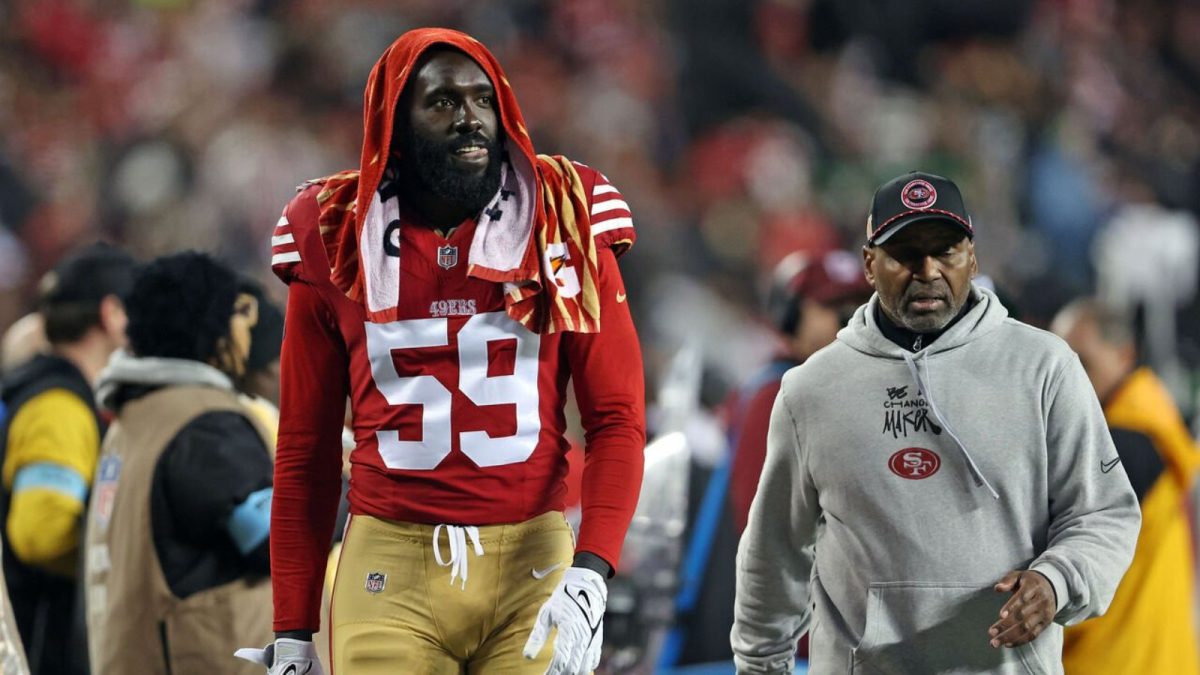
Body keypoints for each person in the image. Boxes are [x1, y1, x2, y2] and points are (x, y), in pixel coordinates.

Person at [238, 27, 645, 675]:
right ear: (392, 125)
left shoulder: (563, 214)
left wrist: (592, 569)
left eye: (483, 100)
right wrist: (292, 629)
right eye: (442, 102)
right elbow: (305, 448)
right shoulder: (332, 230)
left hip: (532, 562)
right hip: (390, 564)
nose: (470, 120)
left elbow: (617, 418)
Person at [731, 171, 1141, 674]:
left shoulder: (1043, 367)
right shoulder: (811, 390)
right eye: (904, 253)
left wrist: (1057, 582)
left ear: (972, 255)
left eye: (945, 250)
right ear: (869, 263)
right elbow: (775, 552)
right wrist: (759, 667)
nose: (927, 270)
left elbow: (1104, 514)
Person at [84, 251, 274, 675]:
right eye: (238, 314)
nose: (247, 331)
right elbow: (276, 538)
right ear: (210, 325)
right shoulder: (203, 423)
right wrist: (352, 486)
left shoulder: (136, 416)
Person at [0, 242, 135, 675]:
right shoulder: (58, 406)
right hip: (40, 643)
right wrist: (132, 560)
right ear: (112, 315)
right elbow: (41, 533)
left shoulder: (38, 387)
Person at [1051, 299, 1200, 674]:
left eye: (1082, 362)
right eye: (1058, 364)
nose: (1066, 379)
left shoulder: (1128, 442)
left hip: (1115, 659)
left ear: (1125, 354)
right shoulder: (1153, 419)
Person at [729, 249, 874, 534]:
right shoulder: (775, 394)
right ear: (790, 315)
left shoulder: (851, 383)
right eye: (832, 306)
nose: (850, 319)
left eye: (859, 306)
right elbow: (762, 524)